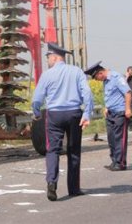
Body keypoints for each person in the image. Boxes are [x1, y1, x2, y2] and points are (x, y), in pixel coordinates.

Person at [32, 43, 93, 201]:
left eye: (48, 58)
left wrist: (37, 112)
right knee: (74, 151)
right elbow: (87, 93)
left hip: (55, 115)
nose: (48, 61)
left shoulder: (47, 75)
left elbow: (37, 98)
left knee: (52, 150)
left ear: (54, 57)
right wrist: (86, 113)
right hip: (74, 114)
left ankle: (51, 183)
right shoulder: (77, 71)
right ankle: (74, 188)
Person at [85, 61, 132, 171]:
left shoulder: (116, 77)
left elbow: (128, 93)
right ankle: (114, 161)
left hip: (120, 113)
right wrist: (106, 107)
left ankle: (120, 163)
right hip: (110, 113)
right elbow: (110, 95)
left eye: (96, 78)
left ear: (100, 73)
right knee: (111, 139)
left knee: (119, 139)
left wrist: (128, 109)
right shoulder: (106, 81)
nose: (97, 80)